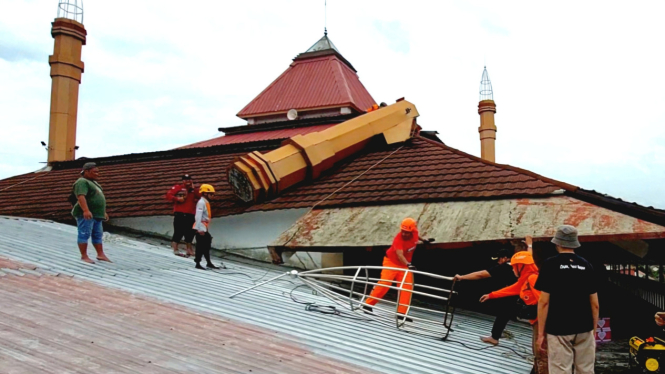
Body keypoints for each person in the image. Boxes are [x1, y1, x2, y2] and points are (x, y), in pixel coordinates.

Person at [535, 225, 599, 374]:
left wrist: (540, 334)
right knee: (586, 370)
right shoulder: (586, 265)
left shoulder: (550, 264)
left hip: (559, 328)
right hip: (584, 327)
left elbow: (544, 302)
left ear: (557, 243)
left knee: (560, 370)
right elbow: (595, 304)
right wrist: (593, 331)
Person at [480, 251, 547, 374]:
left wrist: (543, 329)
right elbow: (512, 289)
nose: (512, 269)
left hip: (541, 321)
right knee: (538, 353)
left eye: (514, 266)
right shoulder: (525, 279)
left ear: (520, 266)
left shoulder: (533, 278)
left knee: (541, 353)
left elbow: (545, 302)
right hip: (537, 321)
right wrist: (491, 295)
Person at [363, 218, 432, 322]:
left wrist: (424, 240)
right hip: (392, 262)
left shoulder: (415, 232)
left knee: (407, 288)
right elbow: (400, 255)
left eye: (407, 232)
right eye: (403, 231)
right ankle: (367, 304)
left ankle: (401, 313)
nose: (404, 234)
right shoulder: (398, 239)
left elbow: (417, 236)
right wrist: (408, 264)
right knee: (385, 283)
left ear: (412, 231)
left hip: (404, 266)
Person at [454, 248, 517, 345]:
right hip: (517, 293)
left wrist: (462, 277)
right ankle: (497, 334)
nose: (497, 262)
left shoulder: (505, 267)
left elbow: (481, 275)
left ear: (504, 258)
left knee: (504, 312)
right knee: (504, 313)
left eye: (498, 259)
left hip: (513, 294)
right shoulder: (518, 266)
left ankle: (495, 337)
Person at [71, 162, 112, 264]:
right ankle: (84, 256)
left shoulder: (94, 183)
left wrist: (103, 212)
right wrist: (85, 210)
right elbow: (81, 196)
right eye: (94, 172)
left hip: (97, 214)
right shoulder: (82, 182)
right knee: (84, 233)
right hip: (87, 214)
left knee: (98, 234)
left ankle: (100, 254)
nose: (97, 174)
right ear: (87, 171)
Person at [165, 174, 200, 257]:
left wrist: (193, 189)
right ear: (183, 181)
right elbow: (168, 195)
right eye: (185, 179)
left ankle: (189, 250)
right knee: (178, 231)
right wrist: (177, 199)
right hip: (180, 213)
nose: (187, 181)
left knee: (190, 233)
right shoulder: (178, 188)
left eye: (189, 179)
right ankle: (175, 249)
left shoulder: (193, 190)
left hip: (190, 214)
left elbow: (200, 196)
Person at [193, 184, 221, 270]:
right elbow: (198, 216)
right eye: (211, 194)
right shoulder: (201, 203)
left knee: (206, 244)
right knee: (201, 246)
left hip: (204, 226)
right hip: (201, 227)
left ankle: (208, 262)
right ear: (205, 193)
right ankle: (198, 262)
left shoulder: (205, 202)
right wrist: (199, 229)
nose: (213, 196)